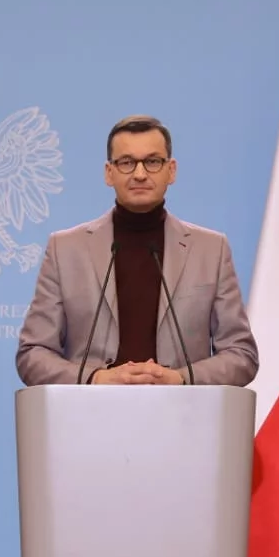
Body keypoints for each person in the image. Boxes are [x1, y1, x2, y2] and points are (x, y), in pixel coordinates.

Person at [15, 115, 257, 387]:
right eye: (127, 162)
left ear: (171, 170)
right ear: (109, 172)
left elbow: (242, 355)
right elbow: (32, 353)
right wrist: (95, 378)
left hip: (183, 419)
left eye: (152, 162)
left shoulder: (211, 250)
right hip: (89, 418)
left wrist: (180, 379)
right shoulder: (65, 249)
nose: (140, 174)